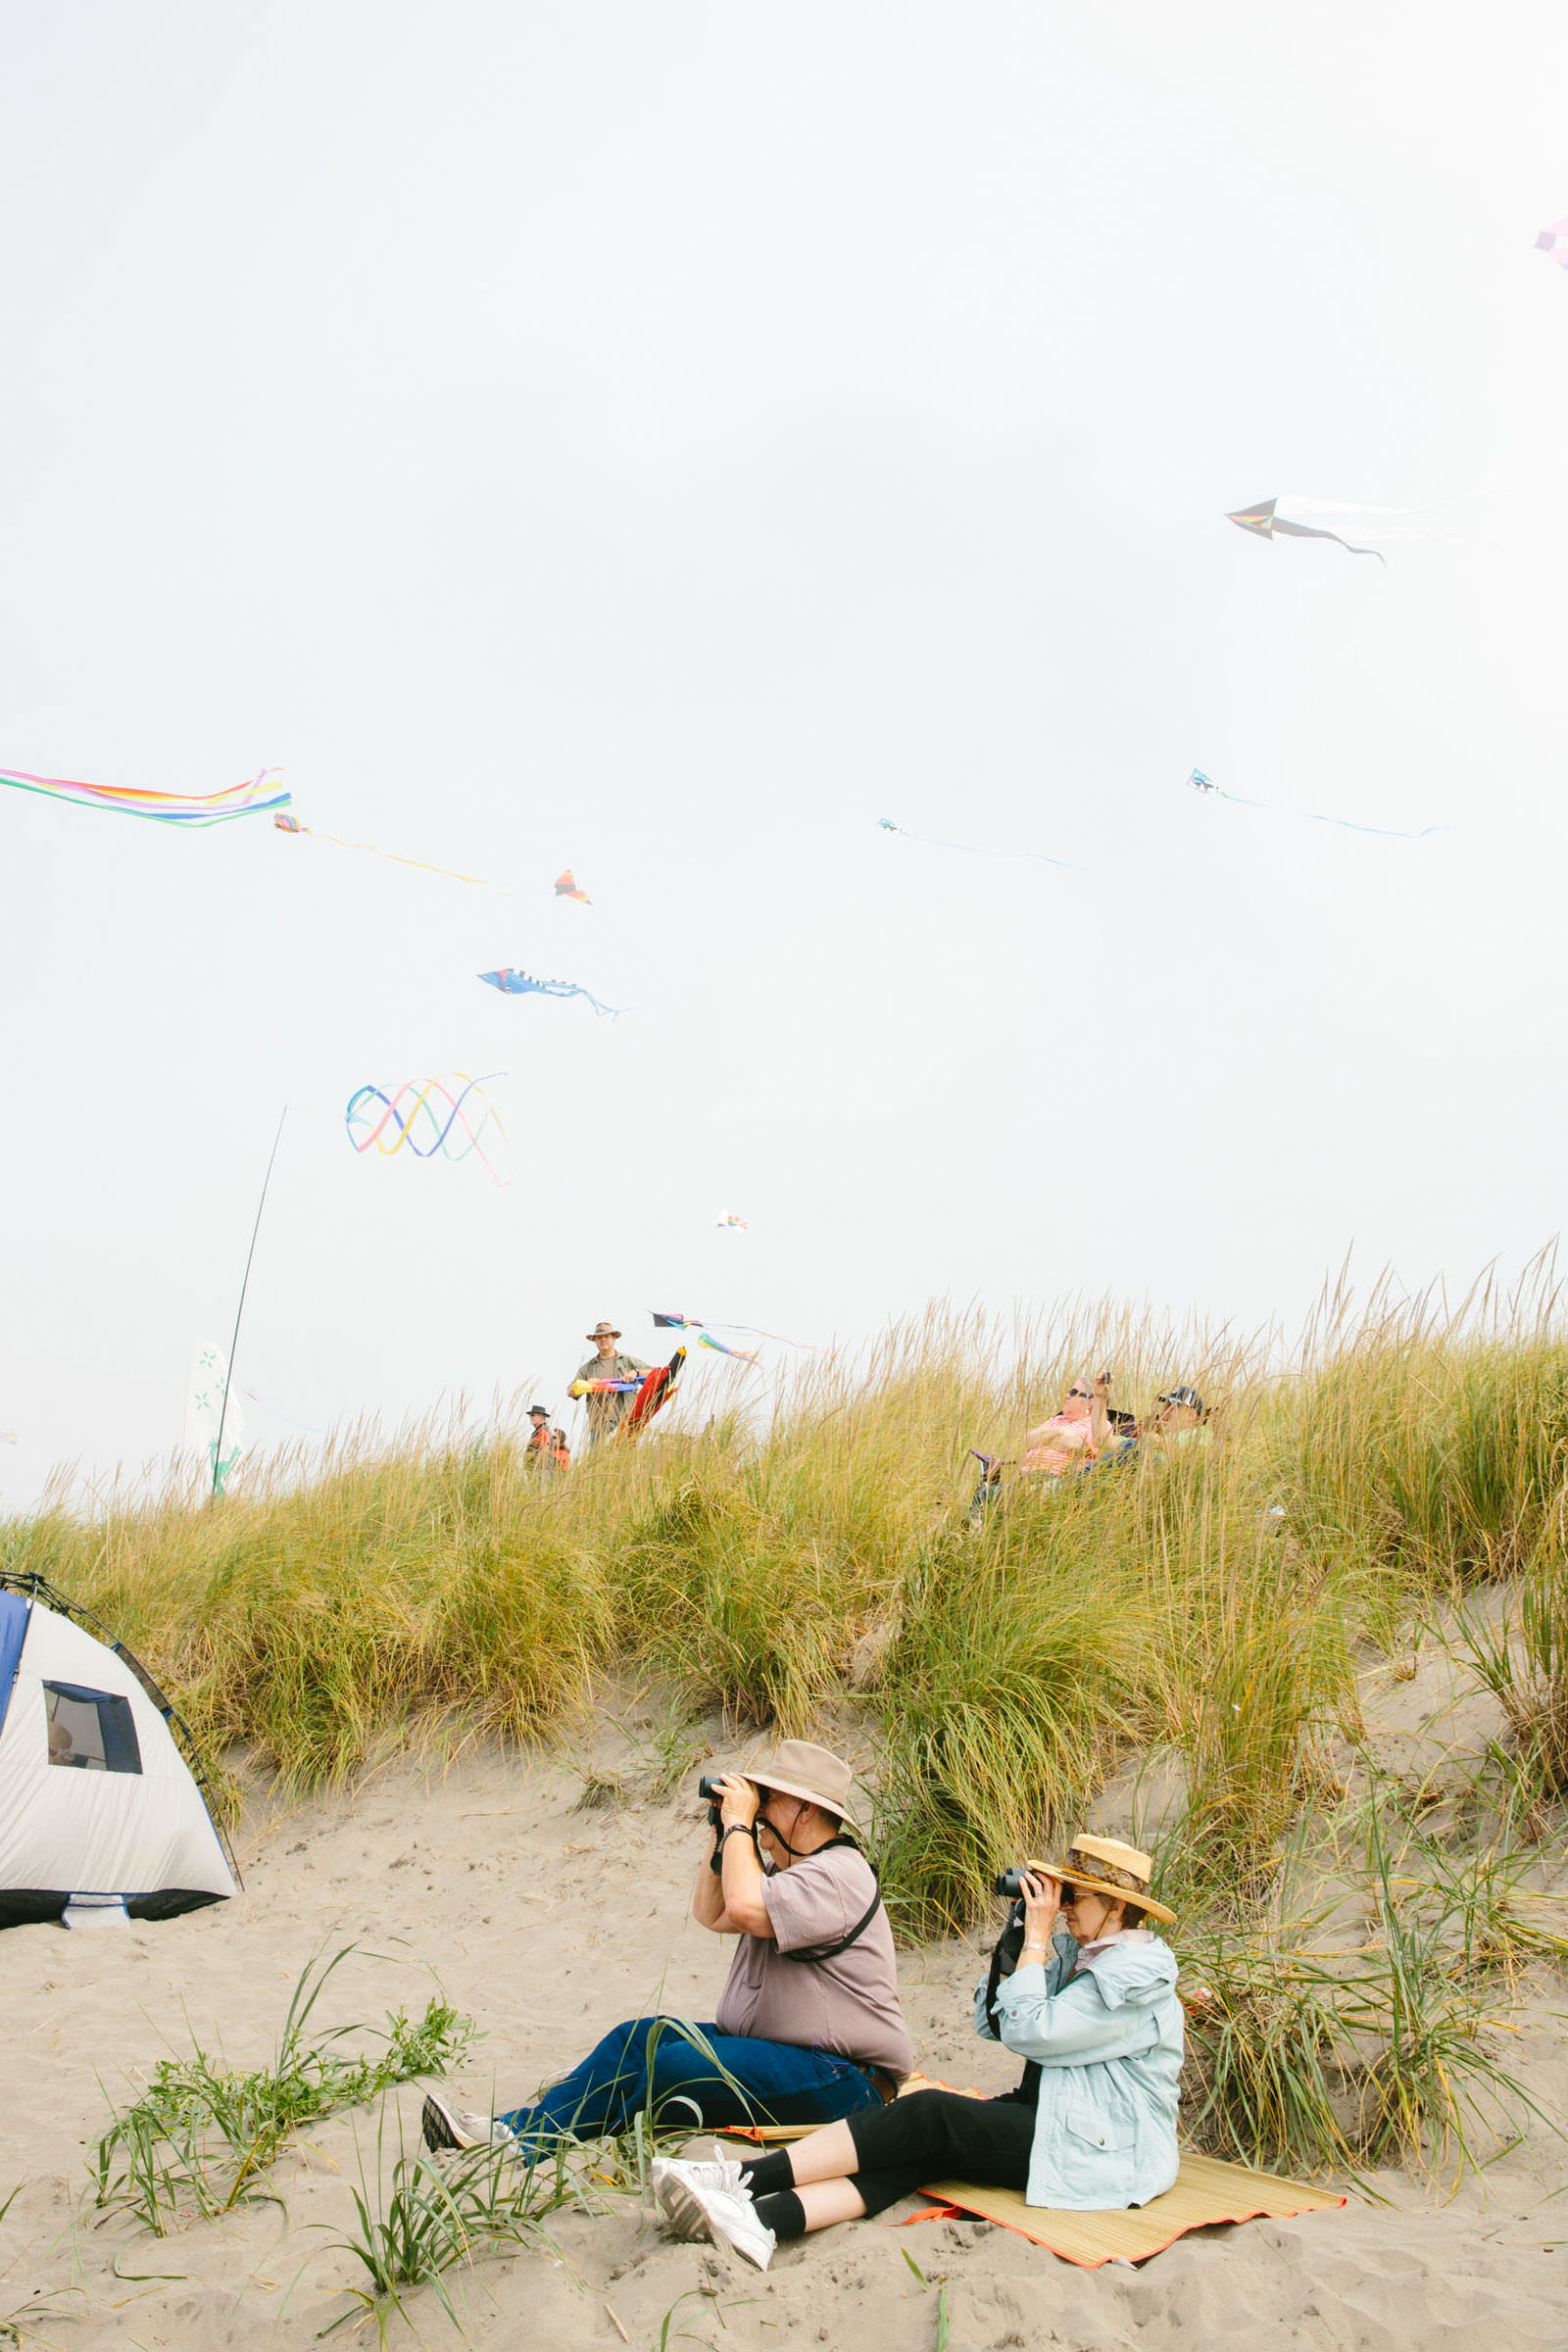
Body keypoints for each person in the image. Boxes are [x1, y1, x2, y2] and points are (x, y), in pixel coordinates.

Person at [651, 1835, 1182, 2270]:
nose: (1062, 1908)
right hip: (1067, 2119)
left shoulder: (1136, 1976)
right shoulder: (1082, 1955)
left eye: (1076, 1897)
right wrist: (1021, 1935)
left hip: (1109, 2151)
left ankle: (740, 2180)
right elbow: (994, 2023)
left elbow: (1031, 2032)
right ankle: (764, 2222)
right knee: (919, 2153)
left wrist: (1040, 1942)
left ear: (1116, 1907)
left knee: (929, 2113)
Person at [421, 1740, 911, 2158]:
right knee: (638, 2040)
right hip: (781, 2056)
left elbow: (743, 1908)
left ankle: (579, 2126)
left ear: (806, 1810)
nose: (760, 1809)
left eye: (771, 1799)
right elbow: (712, 1912)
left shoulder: (840, 1875)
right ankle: (515, 2134)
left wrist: (741, 1823)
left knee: (674, 2067)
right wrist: (723, 1832)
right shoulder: (794, 1874)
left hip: (845, 2080)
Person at [572, 1321, 651, 1443]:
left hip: (626, 1423)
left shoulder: (627, 1361)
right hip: (599, 1426)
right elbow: (571, 1391)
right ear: (595, 1341)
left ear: (614, 1338)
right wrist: (587, 1384)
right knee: (597, 1460)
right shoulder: (587, 1368)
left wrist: (637, 1373)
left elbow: (655, 1373)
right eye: (599, 1337)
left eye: (607, 1336)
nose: (603, 1339)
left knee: (627, 1459)